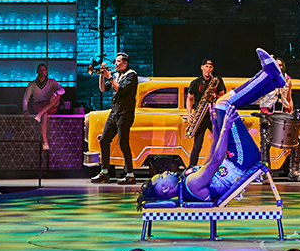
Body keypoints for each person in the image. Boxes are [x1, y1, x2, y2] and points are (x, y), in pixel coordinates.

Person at [140, 48, 285, 207]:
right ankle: (268, 75)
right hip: (241, 160)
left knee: (221, 106)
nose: (164, 172)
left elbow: (211, 157)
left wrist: (216, 126)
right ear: (165, 189)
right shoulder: (191, 185)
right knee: (224, 104)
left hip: (235, 157)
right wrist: (225, 128)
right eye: (161, 177)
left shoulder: (188, 181)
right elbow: (216, 161)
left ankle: (273, 80)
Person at [92, 53, 139, 184]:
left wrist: (110, 77)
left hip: (125, 114)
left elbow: (122, 90)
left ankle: (130, 175)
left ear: (125, 63)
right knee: (104, 140)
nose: (116, 63)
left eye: (118, 61)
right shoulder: (116, 75)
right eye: (116, 61)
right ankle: (105, 172)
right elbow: (102, 89)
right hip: (114, 113)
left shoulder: (131, 75)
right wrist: (102, 74)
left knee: (123, 143)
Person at [265, 57, 300, 182]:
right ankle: (266, 175)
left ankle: (294, 172)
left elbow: (289, 97)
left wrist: (291, 113)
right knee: (265, 144)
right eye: (277, 65)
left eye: (281, 65)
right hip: (269, 114)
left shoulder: (287, 79)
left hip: (284, 114)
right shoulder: (265, 78)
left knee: (296, 141)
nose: (279, 67)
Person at [183, 60, 226, 166]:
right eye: (206, 66)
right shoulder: (196, 82)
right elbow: (189, 99)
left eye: (210, 67)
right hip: (200, 117)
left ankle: (225, 166)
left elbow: (222, 96)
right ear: (202, 67)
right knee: (197, 145)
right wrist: (190, 113)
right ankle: (191, 168)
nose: (208, 69)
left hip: (213, 116)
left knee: (221, 142)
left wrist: (215, 99)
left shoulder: (217, 80)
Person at [22, 63, 65, 152]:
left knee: (57, 96)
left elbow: (62, 90)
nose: (42, 72)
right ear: (37, 72)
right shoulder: (32, 84)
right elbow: (25, 98)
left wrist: (55, 93)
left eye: (44, 70)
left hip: (50, 104)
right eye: (40, 70)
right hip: (38, 105)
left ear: (46, 72)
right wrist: (25, 110)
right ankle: (45, 142)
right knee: (44, 115)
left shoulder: (52, 82)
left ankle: (40, 114)